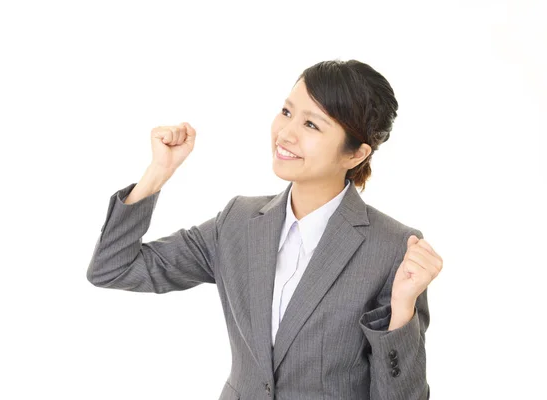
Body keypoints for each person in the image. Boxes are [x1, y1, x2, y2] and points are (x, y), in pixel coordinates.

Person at [86, 59, 443, 400]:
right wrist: (157, 174)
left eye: (311, 125)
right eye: (287, 112)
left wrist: (402, 311)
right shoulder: (238, 222)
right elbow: (112, 267)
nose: (285, 133)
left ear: (356, 155)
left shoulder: (393, 248)